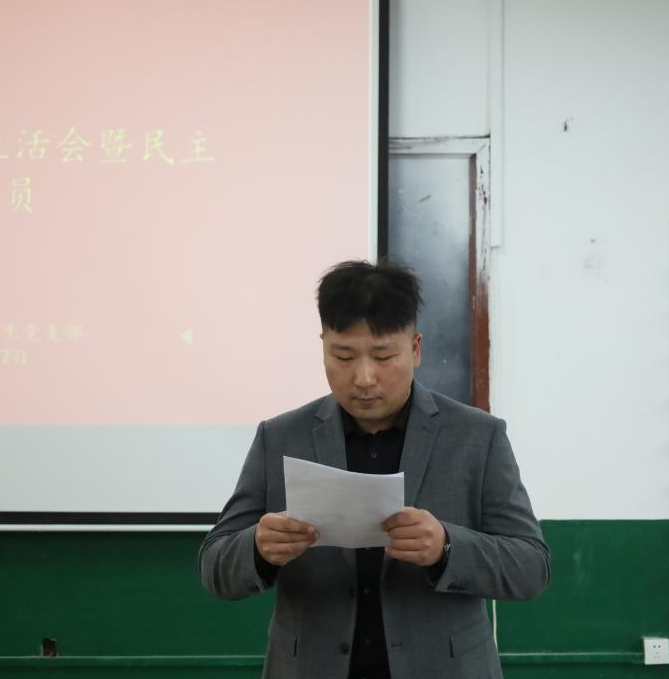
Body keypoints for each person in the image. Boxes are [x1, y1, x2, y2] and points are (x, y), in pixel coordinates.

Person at [198, 259, 549, 679]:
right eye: (343, 356)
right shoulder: (280, 437)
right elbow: (214, 568)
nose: (364, 378)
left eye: (383, 356)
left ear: (415, 349)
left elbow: (531, 568)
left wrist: (446, 547)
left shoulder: (477, 436)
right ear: (323, 347)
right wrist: (257, 548)